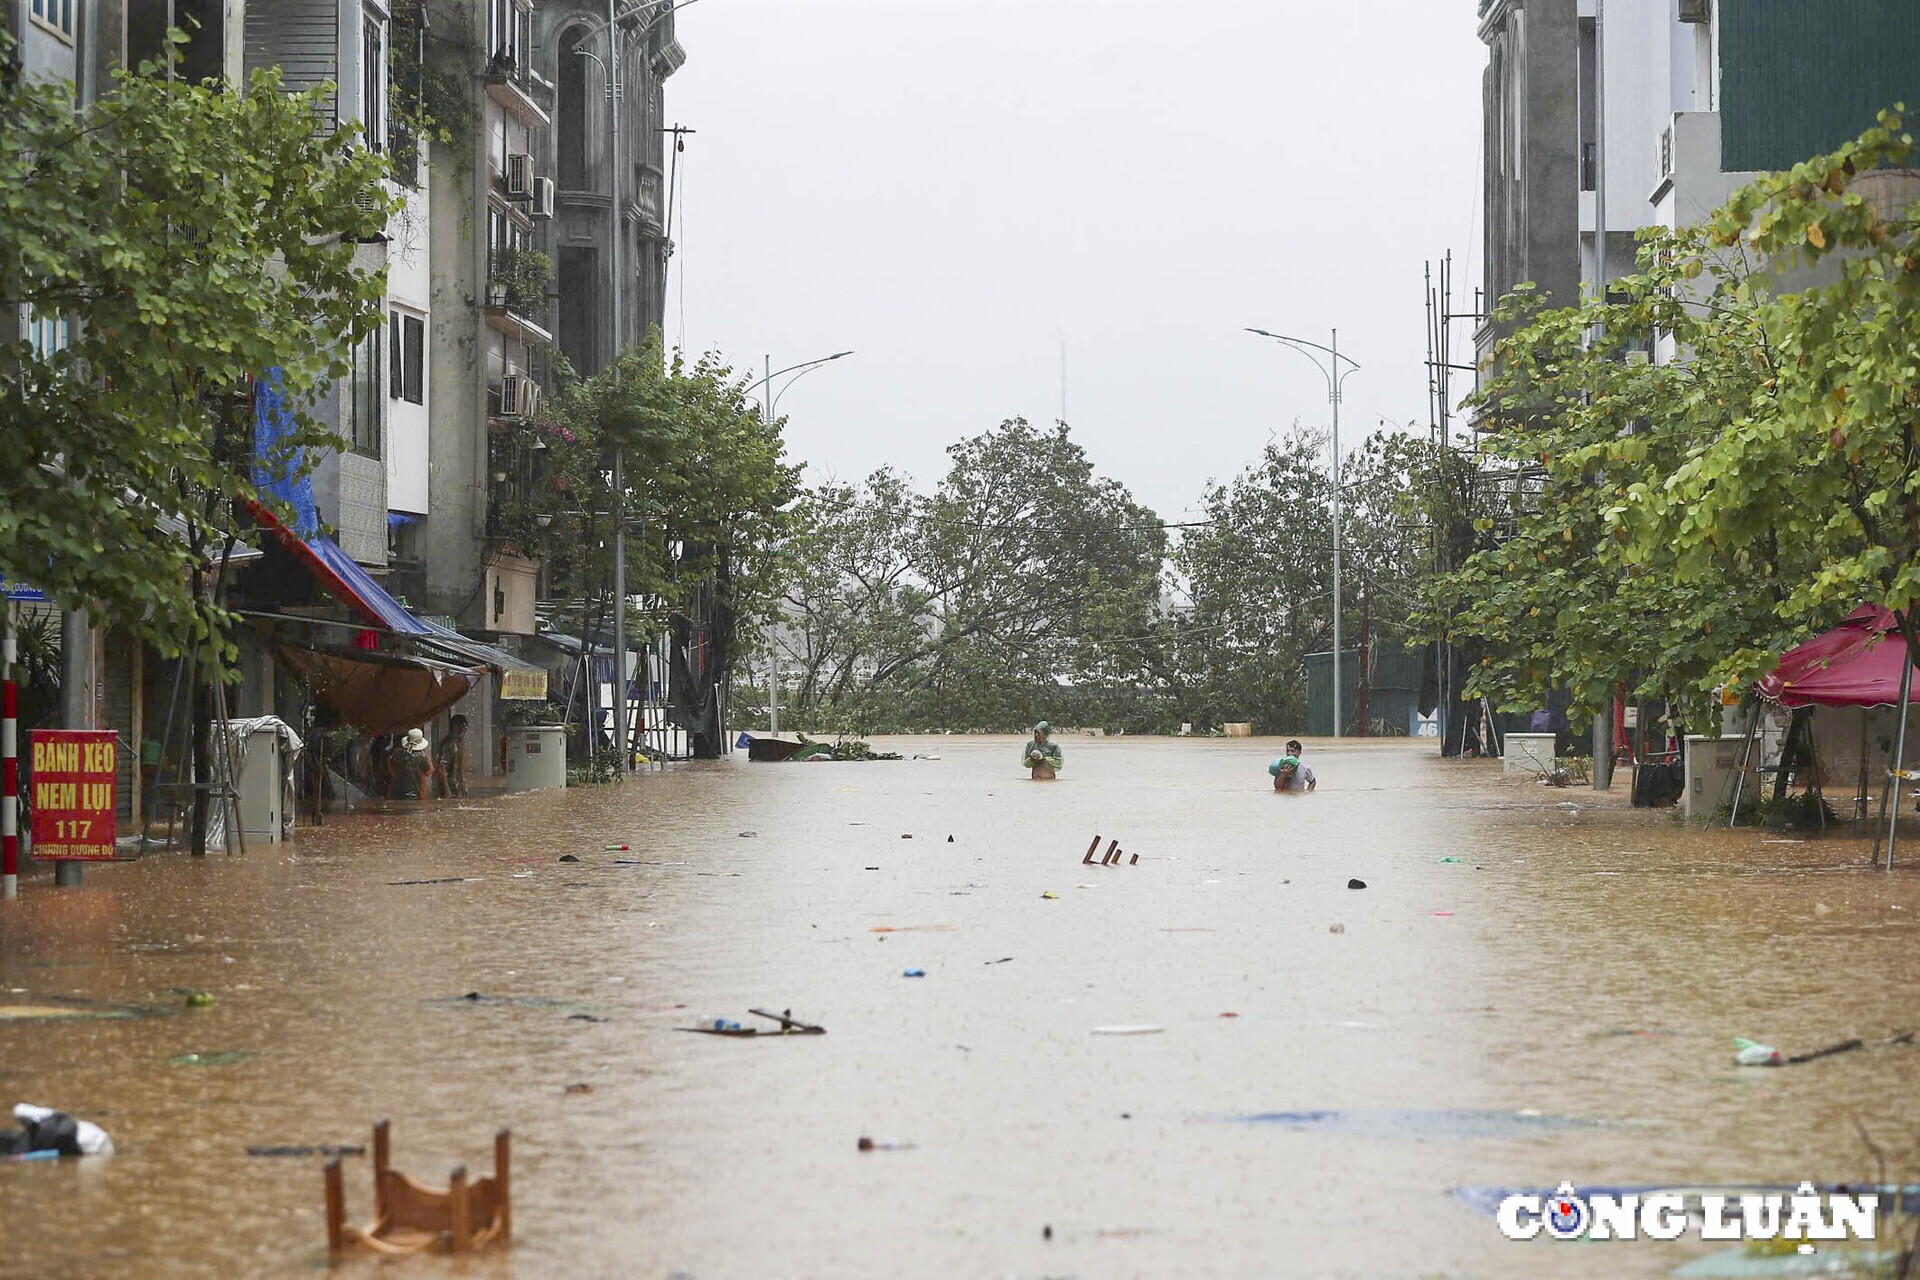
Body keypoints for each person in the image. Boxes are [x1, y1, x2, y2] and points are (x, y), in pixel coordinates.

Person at [388, 727, 435, 800]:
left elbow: (391, 768)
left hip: (396, 793)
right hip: (417, 795)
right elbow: (430, 771)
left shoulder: (397, 754)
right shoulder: (422, 758)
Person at [435, 714, 469, 798]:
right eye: (460, 726)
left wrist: (463, 786)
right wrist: (447, 791)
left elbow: (461, 767)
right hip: (447, 787)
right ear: (454, 727)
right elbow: (442, 769)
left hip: (456, 786)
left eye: (465, 727)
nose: (463, 729)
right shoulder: (447, 745)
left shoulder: (459, 742)